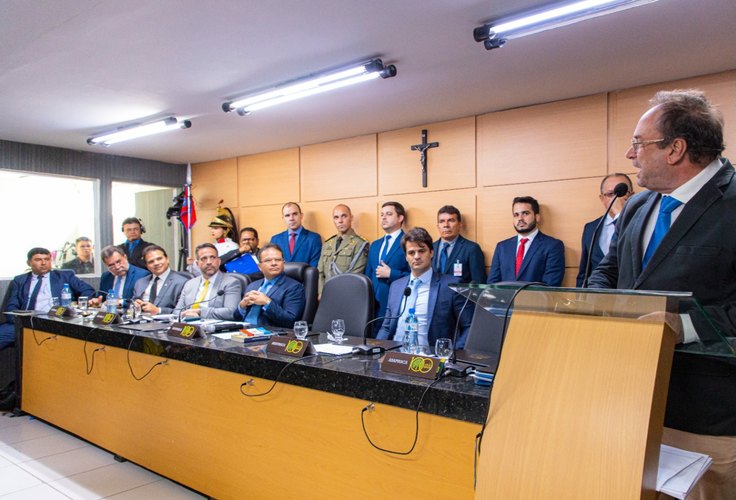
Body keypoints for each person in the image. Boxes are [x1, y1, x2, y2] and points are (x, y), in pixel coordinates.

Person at [587, 90, 736, 499]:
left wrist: (682, 326)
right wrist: (594, 305)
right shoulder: (638, 206)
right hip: (631, 401)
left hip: (707, 416)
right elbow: (608, 270)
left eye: (638, 143)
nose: (630, 153)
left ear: (676, 149)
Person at [376, 228, 474, 348]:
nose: (416, 257)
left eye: (421, 251)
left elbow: (469, 326)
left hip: (430, 360)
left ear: (431, 252)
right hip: (396, 356)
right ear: (406, 257)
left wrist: (452, 354)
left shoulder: (451, 285)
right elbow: (386, 327)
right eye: (411, 253)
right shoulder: (396, 286)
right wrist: (377, 350)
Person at [1, 247, 95, 348]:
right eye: (38, 260)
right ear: (29, 263)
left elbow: (87, 290)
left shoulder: (65, 276)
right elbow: (11, 305)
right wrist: (18, 321)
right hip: (25, 322)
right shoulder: (20, 280)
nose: (43, 263)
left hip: (55, 320)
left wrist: (78, 305)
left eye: (47, 259)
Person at [487, 196, 565, 286]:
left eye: (525, 213)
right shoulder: (502, 246)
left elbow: (551, 285)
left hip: (535, 300)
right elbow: (492, 284)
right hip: (505, 300)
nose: (520, 218)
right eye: (516, 215)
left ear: (537, 217)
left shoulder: (553, 246)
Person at [575, 174, 634, 287]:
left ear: (631, 195)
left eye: (622, 193)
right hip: (597, 296)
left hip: (629, 296)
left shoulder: (639, 223)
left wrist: (620, 215)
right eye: (610, 194)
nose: (617, 198)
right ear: (602, 198)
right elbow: (584, 271)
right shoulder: (591, 228)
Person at [234, 244, 305, 328]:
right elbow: (236, 317)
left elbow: (290, 320)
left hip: (268, 334)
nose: (274, 263)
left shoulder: (294, 287)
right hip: (243, 331)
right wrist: (242, 306)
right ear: (260, 266)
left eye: (278, 260)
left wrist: (267, 302)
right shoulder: (252, 285)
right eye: (268, 260)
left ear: (283, 263)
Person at [365, 201, 411, 330]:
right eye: (382, 214)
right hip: (373, 307)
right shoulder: (375, 244)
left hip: (395, 305)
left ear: (400, 218)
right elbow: (368, 274)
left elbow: (415, 276)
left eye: (389, 214)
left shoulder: (408, 242)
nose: (384, 218)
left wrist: (392, 274)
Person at [173, 243, 242, 320]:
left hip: (214, 328)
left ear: (219, 261)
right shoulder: (189, 284)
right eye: (204, 258)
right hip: (189, 326)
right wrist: (185, 315)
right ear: (197, 264)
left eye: (212, 257)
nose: (209, 262)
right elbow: (177, 312)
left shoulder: (231, 283)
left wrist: (200, 312)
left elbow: (231, 312)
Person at [317, 204, 369, 295]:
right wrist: (322, 293)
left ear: (351, 218)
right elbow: (320, 272)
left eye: (344, 216)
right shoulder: (327, 244)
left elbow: (355, 274)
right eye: (336, 217)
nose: (340, 221)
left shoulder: (360, 244)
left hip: (347, 294)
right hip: (326, 294)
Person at [433, 205, 486, 284]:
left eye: (451, 220)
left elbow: (479, 282)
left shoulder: (471, 248)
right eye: (442, 221)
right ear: (438, 226)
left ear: (460, 224)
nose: (446, 225)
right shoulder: (430, 248)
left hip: (459, 295)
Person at [132, 245, 188, 315]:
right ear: (147, 266)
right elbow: (133, 304)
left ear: (167, 259)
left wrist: (158, 310)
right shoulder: (140, 283)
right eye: (151, 262)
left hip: (165, 323)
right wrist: (136, 305)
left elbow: (183, 311)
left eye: (159, 259)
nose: (156, 263)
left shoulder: (182, 282)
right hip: (140, 322)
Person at [269, 202, 322, 268]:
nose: (291, 218)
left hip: (304, 278)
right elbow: (272, 266)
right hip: (281, 278)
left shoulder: (314, 238)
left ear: (301, 216)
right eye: (287, 215)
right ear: (283, 218)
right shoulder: (275, 240)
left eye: (295, 214)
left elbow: (314, 268)